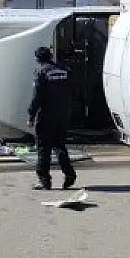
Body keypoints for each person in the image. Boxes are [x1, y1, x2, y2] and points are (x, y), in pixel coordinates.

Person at [27, 46, 77, 190]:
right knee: (60, 145)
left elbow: (37, 97)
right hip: (63, 114)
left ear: (37, 59)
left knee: (44, 148)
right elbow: (72, 91)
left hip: (47, 115)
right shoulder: (65, 71)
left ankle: (44, 180)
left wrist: (31, 115)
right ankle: (69, 174)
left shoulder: (41, 73)